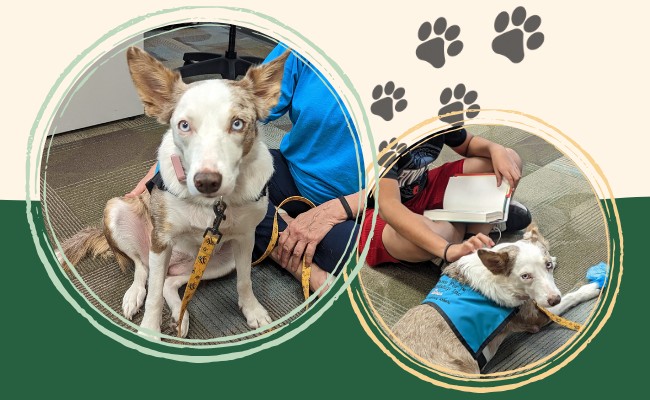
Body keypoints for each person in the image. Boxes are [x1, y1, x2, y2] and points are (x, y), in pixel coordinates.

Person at [128, 43, 364, 293]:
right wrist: (166, 165)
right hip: (293, 168)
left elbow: (405, 182)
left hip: (361, 198)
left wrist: (336, 210)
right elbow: (228, 108)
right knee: (233, 211)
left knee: (354, 252)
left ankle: (278, 232)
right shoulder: (304, 48)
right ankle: (293, 249)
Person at [359, 126, 531, 267]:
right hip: (379, 213)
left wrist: (495, 149)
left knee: (510, 159)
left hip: (423, 188)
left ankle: (473, 244)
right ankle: (471, 234)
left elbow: (468, 143)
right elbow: (389, 206)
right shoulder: (385, 133)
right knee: (440, 237)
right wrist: (447, 250)